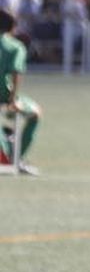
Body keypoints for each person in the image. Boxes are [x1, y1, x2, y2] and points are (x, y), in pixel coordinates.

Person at [0, 9, 42, 175]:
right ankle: (16, 158)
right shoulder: (15, 47)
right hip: (4, 96)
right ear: (12, 28)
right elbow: (17, 73)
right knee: (35, 113)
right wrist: (12, 101)